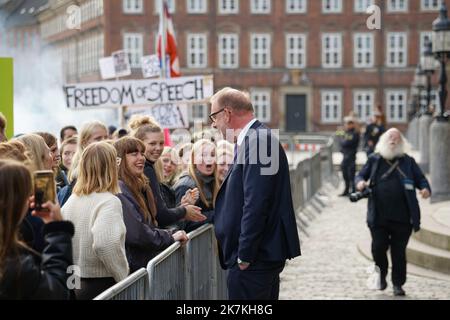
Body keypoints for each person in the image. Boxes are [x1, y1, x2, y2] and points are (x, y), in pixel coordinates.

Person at [210, 87, 301, 300]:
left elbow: (256, 203)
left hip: (254, 260)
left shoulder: (259, 142)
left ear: (227, 113)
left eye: (214, 116)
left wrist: (245, 254)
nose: (213, 124)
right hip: (256, 258)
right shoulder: (255, 140)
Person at [355, 128, 431, 296]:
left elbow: (422, 180)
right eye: (390, 137)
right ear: (384, 140)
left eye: (397, 138)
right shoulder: (374, 160)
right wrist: (360, 183)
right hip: (378, 217)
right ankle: (381, 275)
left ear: (401, 142)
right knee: (378, 248)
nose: (393, 140)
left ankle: (398, 284)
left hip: (402, 218)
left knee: (399, 253)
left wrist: (425, 189)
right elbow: (360, 175)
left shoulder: (408, 162)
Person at [61, 141, 129, 300]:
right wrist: (123, 276)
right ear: (110, 167)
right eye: (116, 162)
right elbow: (106, 243)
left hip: (74, 282)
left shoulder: (72, 200)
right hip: (101, 284)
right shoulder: (108, 201)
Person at [0, 159, 75, 300]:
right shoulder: (15, 266)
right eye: (27, 194)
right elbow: (55, 292)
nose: (29, 200)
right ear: (14, 202)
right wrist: (57, 230)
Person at [114, 137, 189, 272]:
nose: (141, 158)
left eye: (142, 153)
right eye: (134, 154)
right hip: (134, 269)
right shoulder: (120, 188)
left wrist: (170, 233)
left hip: (141, 265)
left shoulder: (138, 185)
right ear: (120, 159)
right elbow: (138, 233)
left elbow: (148, 225)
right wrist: (169, 236)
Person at [131, 116, 205, 229]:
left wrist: (181, 206)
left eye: (161, 143)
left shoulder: (148, 167)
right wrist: (184, 210)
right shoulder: (146, 169)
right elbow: (160, 215)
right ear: (140, 144)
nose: (158, 148)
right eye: (152, 143)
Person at [15, 134, 54, 253]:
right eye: (49, 152)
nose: (53, 157)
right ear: (40, 158)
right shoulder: (41, 192)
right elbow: (49, 245)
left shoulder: (18, 191)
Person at [174, 139, 220, 232]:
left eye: (212, 154)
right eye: (203, 155)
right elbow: (183, 224)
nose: (208, 159)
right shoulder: (186, 185)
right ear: (194, 159)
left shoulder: (214, 182)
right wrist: (219, 214)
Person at [59, 121, 108, 207]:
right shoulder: (82, 172)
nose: (104, 141)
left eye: (106, 137)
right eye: (98, 138)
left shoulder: (109, 163)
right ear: (85, 142)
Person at [338, 116, 360, 196]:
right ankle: (346, 189)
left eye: (347, 124)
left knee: (351, 174)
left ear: (352, 124)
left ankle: (353, 190)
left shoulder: (354, 133)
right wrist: (341, 137)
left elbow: (345, 143)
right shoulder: (346, 132)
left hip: (351, 156)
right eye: (345, 124)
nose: (346, 125)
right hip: (345, 155)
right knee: (344, 173)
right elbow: (339, 137)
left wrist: (342, 140)